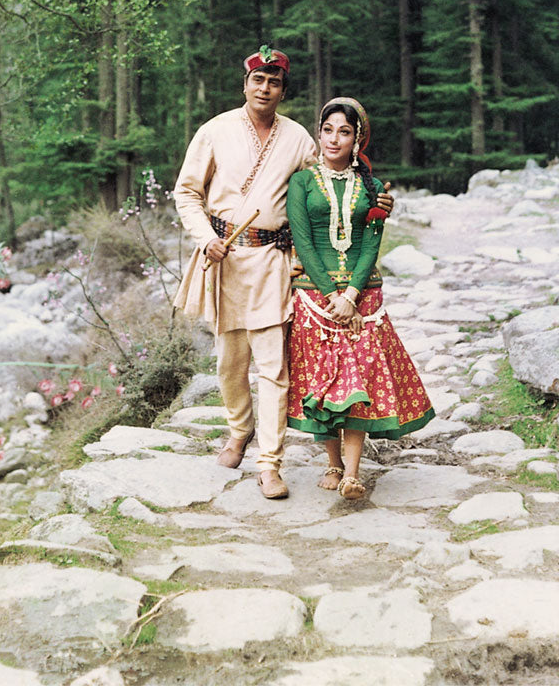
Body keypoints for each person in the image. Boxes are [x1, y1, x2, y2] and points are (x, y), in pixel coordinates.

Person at [173, 49, 393, 500]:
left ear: (283, 90)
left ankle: (270, 463)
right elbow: (187, 192)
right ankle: (239, 430)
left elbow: (335, 176)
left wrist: (377, 201)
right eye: (258, 79)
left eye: (274, 81)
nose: (264, 88)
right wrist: (203, 237)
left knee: (274, 367)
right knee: (230, 362)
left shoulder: (297, 138)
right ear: (246, 83)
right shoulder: (214, 130)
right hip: (225, 259)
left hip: (274, 259)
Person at [286, 97, 434, 500]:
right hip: (315, 298)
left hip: (362, 297)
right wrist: (332, 294)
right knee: (324, 382)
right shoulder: (300, 182)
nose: (334, 139)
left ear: (357, 140)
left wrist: (350, 294)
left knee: (357, 379)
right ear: (319, 134)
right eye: (328, 130)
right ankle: (332, 462)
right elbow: (303, 240)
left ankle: (352, 473)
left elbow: (372, 243)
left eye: (345, 132)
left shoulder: (372, 188)